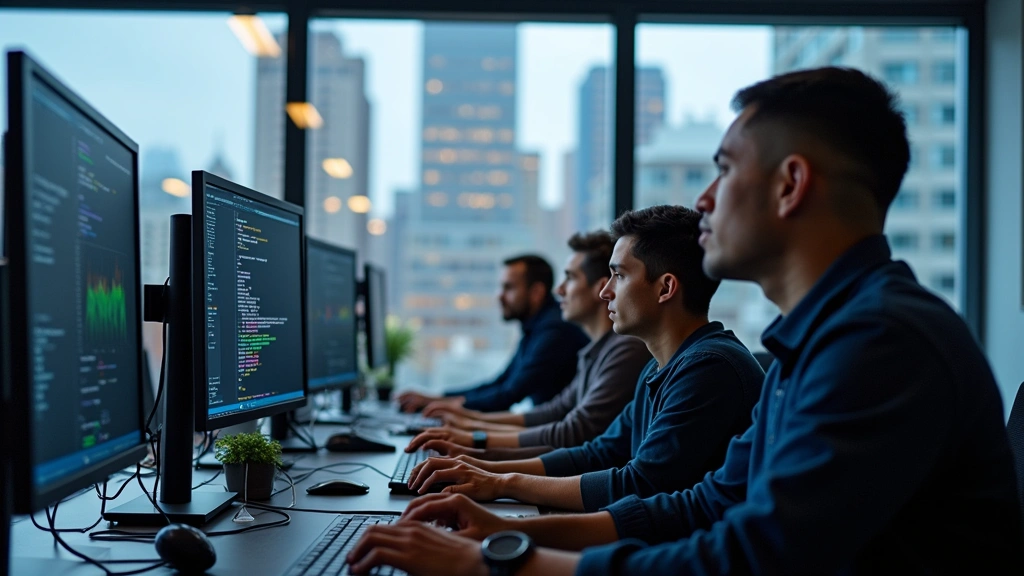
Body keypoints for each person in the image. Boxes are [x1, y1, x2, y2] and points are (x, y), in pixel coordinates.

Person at [346, 67, 1023, 575]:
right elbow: (704, 505)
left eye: (724, 169)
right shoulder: (806, 345)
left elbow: (749, 558)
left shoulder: (881, 342)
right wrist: (499, 525)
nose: (703, 201)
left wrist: (492, 559)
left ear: (791, 185)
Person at [402, 205, 764, 513]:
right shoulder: (660, 365)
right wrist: (482, 466)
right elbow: (599, 452)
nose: (605, 291)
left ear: (666, 288)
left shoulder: (709, 369)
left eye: (618, 276)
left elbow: (638, 484)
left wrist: (499, 479)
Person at [408, 231, 651, 457]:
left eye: (570, 278)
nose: (559, 290)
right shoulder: (594, 349)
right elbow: (552, 411)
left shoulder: (598, 342)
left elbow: (569, 430)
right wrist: (468, 424)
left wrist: (474, 439)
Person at [396, 254, 590, 414]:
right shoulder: (537, 326)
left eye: (509, 288)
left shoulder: (554, 331)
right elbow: (501, 382)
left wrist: (440, 406)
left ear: (536, 292)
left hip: (559, 441)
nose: (499, 295)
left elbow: (508, 395)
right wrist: (436, 398)